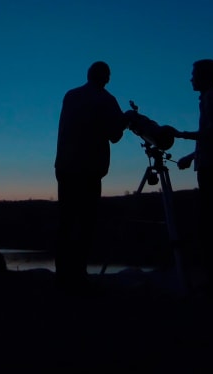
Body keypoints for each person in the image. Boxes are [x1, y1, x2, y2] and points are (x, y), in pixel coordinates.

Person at [53, 61, 135, 293]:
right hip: (88, 170)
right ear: (106, 78)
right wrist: (125, 120)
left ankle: (62, 276)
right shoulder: (106, 100)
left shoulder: (71, 95)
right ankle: (78, 276)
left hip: (65, 167)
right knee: (85, 223)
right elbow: (115, 136)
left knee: (66, 222)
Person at [174, 59, 213, 298]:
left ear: (204, 76)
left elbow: (212, 134)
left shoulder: (212, 99)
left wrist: (181, 135)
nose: (191, 79)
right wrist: (192, 156)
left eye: (194, 74)